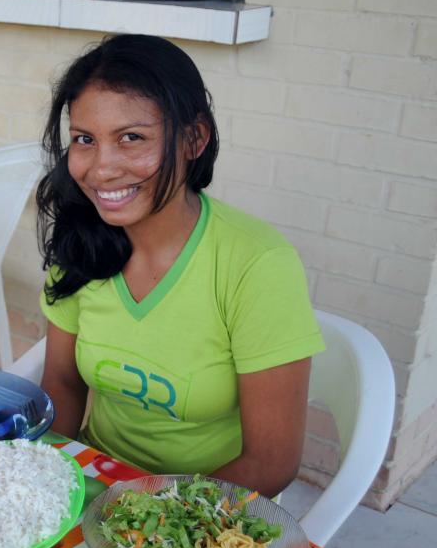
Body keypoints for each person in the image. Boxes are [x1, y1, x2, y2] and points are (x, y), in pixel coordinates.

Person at [36, 34, 323, 497]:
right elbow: (64, 383)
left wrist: (140, 517)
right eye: (85, 139)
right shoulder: (82, 240)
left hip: (202, 507)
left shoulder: (257, 264)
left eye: (132, 138)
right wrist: (44, 485)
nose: (102, 168)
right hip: (95, 484)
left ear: (194, 139)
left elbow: (271, 462)